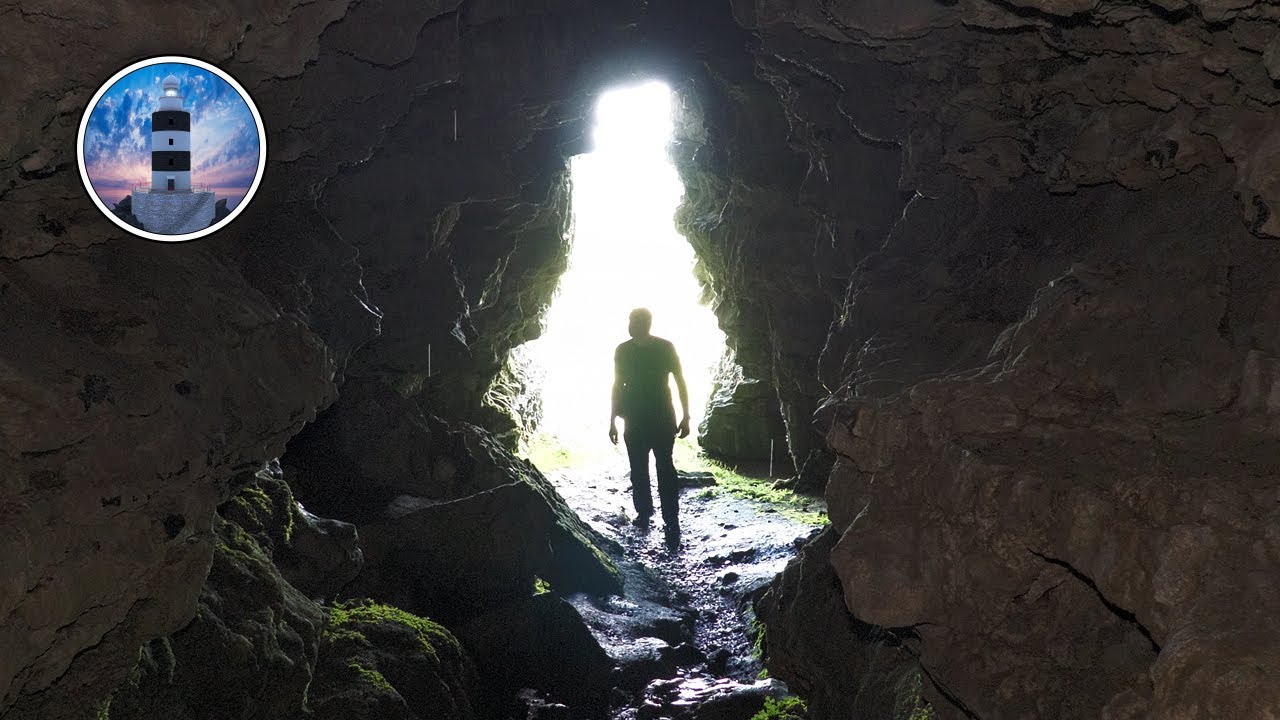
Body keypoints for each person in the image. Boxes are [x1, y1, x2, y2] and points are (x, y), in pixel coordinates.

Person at [609, 308, 690, 539]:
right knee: (638, 469)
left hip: (661, 417)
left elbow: (680, 381)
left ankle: (670, 519)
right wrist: (612, 419)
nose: (631, 325)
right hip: (634, 418)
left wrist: (686, 416)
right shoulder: (622, 350)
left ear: (647, 324)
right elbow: (617, 384)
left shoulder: (665, 347)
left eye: (635, 321)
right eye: (630, 321)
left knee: (665, 468)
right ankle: (644, 513)